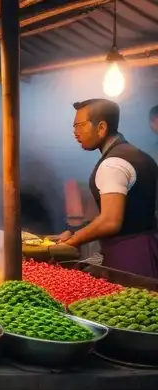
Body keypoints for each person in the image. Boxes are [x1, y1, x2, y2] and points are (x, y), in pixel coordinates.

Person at [58, 99, 158, 278]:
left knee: (131, 304)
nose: (75, 132)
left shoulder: (112, 164)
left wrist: (73, 241)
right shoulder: (140, 156)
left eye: (80, 125)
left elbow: (110, 221)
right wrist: (75, 231)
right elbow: (127, 212)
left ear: (101, 127)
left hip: (129, 257)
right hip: (149, 249)